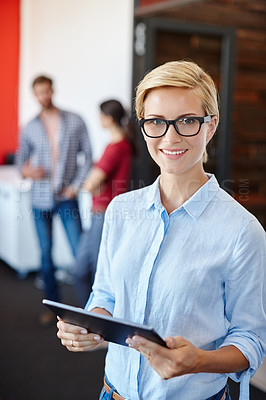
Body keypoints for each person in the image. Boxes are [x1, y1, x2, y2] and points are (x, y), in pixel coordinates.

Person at [57, 61, 266, 400]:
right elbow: (106, 296)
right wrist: (90, 325)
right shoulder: (120, 211)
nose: (170, 137)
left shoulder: (242, 232)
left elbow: (251, 339)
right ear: (143, 126)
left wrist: (199, 361)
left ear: (210, 127)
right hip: (112, 393)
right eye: (156, 121)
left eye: (187, 121)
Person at [16, 75, 92, 326]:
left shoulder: (74, 120)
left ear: (53, 90)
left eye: (46, 91)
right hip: (39, 198)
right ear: (34, 95)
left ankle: (93, 310)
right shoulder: (30, 126)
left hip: (66, 198)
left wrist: (76, 186)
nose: (43, 96)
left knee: (79, 253)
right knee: (45, 254)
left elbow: (88, 157)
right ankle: (54, 308)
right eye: (38, 93)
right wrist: (27, 172)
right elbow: (20, 161)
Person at [73, 99, 137, 307]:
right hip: (101, 213)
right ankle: (92, 318)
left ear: (109, 119)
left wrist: (91, 183)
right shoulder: (121, 144)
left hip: (103, 214)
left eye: (101, 115)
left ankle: (94, 321)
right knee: (84, 269)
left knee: (89, 272)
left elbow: (90, 185)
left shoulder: (115, 147)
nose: (99, 119)